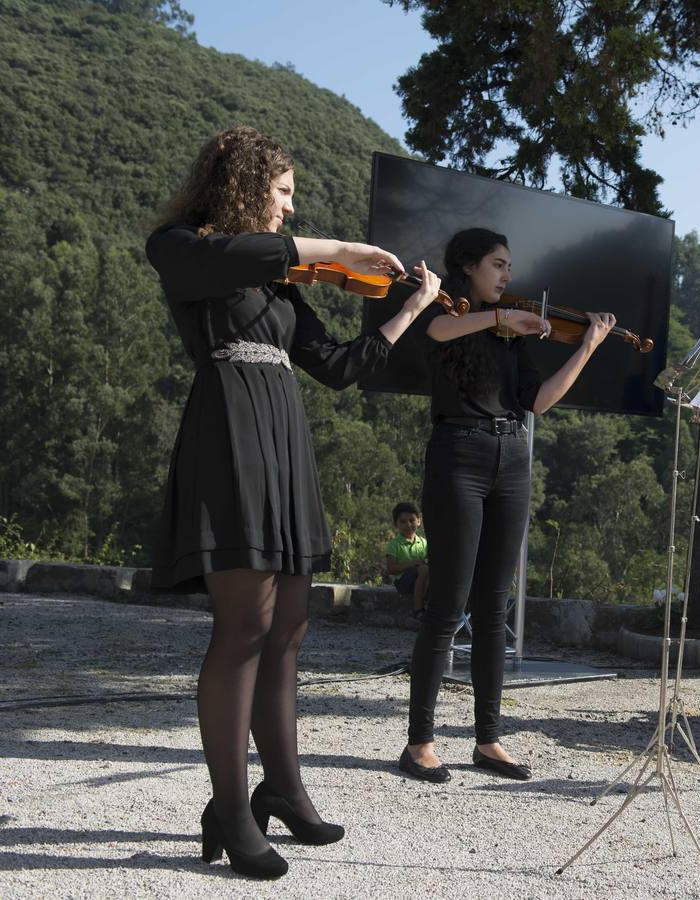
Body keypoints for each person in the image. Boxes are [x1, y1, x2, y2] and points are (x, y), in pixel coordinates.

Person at [146, 126, 442, 878]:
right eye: (279, 193)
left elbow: (339, 367)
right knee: (244, 625)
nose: (286, 208)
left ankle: (283, 791)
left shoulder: (280, 281)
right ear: (244, 186)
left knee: (289, 627)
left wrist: (411, 310)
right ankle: (231, 807)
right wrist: (335, 249)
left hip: (281, 439)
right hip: (230, 436)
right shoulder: (181, 245)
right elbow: (237, 255)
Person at [397, 227, 614, 783]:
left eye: (509, 266)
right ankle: (419, 741)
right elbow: (439, 331)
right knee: (447, 604)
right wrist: (498, 319)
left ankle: (487, 741)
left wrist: (586, 348)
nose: (508, 276)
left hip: (512, 456)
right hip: (458, 456)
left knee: (495, 607)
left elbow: (537, 402)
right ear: (467, 266)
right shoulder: (440, 309)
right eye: (498, 264)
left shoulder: (515, 335)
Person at [384, 502, 429, 616]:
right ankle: (418, 609)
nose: (408, 524)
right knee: (423, 569)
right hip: (403, 583)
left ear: (419, 521)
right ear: (396, 524)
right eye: (403, 521)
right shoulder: (394, 544)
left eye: (412, 520)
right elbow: (391, 569)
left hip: (422, 581)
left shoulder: (424, 543)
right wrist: (413, 564)